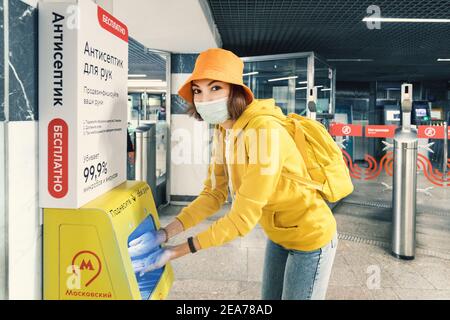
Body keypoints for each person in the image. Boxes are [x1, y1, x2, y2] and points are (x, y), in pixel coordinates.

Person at [127, 48, 338, 300]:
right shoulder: (224, 130)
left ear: (235, 91)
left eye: (215, 88)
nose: (204, 98)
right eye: (198, 90)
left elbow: (241, 219)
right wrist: (165, 233)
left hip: (310, 236)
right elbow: (213, 194)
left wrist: (174, 252)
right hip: (278, 233)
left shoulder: (263, 132)